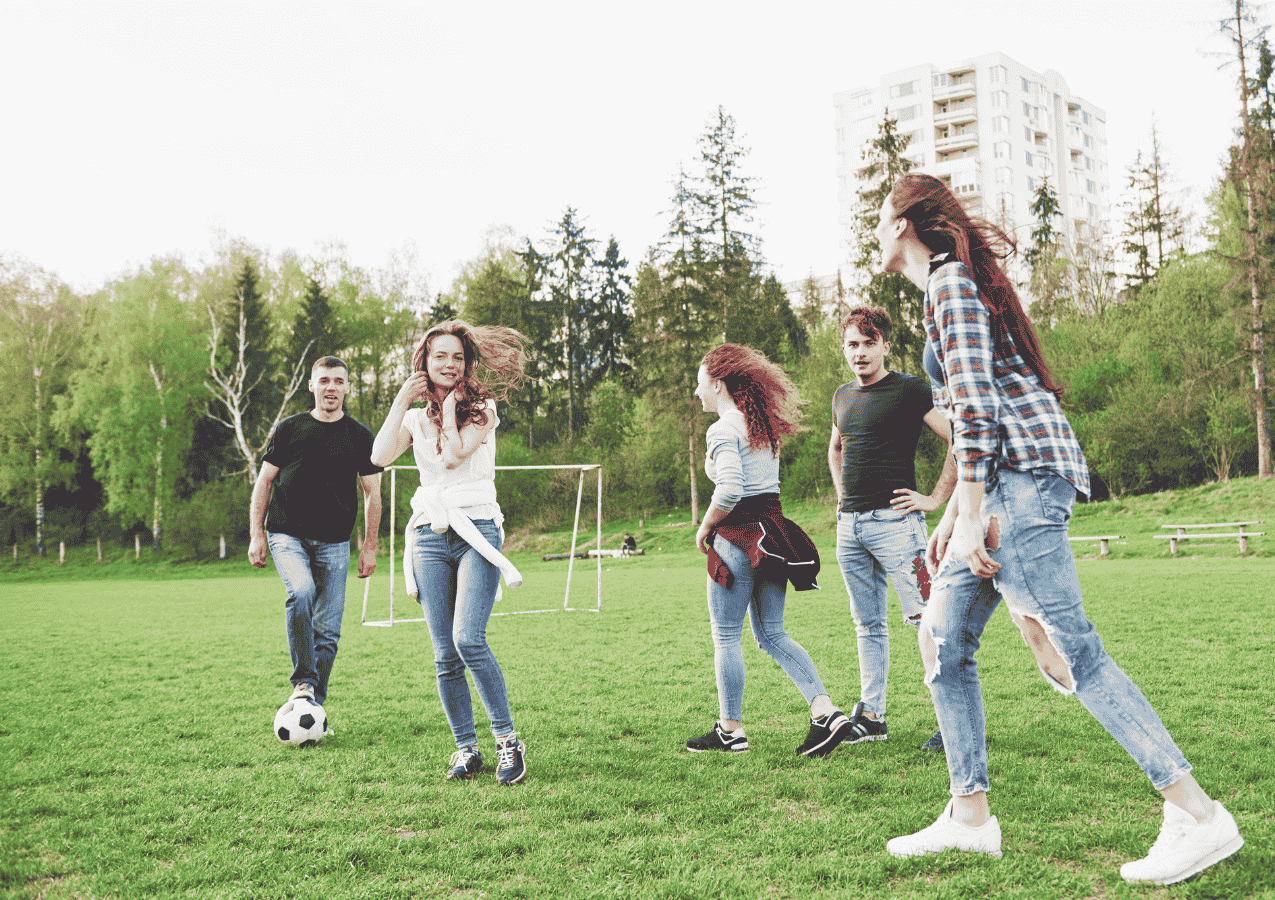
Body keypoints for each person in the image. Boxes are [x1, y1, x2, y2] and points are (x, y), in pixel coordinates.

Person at [877, 172, 1243, 885]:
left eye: (875, 217)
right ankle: (968, 816)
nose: (870, 230)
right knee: (941, 638)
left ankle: (1197, 815)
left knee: (1074, 653)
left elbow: (978, 410)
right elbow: (969, 417)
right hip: (999, 485)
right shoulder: (947, 288)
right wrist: (954, 515)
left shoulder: (949, 284)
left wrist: (973, 510)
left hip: (1018, 484)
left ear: (899, 224)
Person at [371, 320, 530, 785]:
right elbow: (379, 457)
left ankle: (507, 741)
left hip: (476, 527)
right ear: (424, 362)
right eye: (440, 356)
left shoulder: (483, 410)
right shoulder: (416, 417)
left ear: (467, 365)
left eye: (457, 357)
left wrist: (451, 406)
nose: (449, 364)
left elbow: (453, 457)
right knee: (444, 654)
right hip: (428, 534)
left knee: (468, 639)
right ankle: (466, 748)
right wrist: (404, 399)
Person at [687, 343, 851, 758]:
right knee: (772, 633)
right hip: (773, 534)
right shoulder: (760, 426)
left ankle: (731, 730)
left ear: (718, 383)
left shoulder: (722, 428)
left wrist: (706, 526)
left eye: (700, 380)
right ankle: (825, 711)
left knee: (726, 636)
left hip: (740, 536)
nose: (696, 390)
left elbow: (730, 488)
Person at [828, 305, 956, 750]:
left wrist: (935, 498)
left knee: (928, 618)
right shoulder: (842, 396)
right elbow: (837, 449)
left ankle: (951, 720)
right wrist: (843, 498)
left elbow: (958, 438)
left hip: (898, 527)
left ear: (885, 345)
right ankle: (873, 716)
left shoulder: (909, 391)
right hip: (851, 529)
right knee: (867, 625)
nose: (859, 353)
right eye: (852, 344)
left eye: (868, 343)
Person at [249, 356, 383, 723]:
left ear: (347, 388)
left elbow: (373, 493)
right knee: (302, 592)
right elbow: (264, 481)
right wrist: (256, 534)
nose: (331, 387)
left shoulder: (359, 435)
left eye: (338, 381)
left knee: (328, 631)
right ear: (311, 385)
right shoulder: (290, 428)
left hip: (335, 542)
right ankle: (303, 682)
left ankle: (312, 709)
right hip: (286, 534)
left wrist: (369, 547)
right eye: (324, 380)